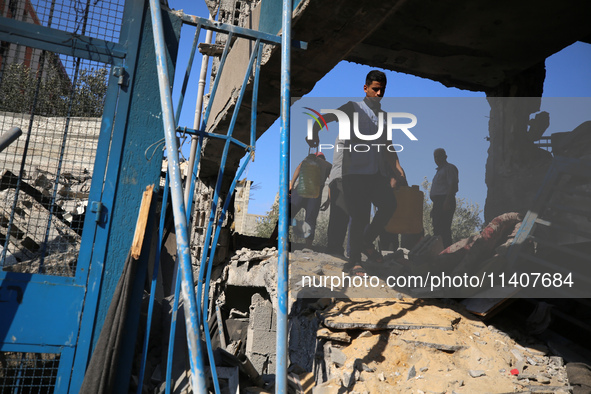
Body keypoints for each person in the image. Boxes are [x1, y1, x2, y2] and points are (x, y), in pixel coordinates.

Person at [308, 70, 407, 275]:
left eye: (382, 90)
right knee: (359, 215)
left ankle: (365, 241)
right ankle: (353, 261)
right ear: (365, 88)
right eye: (375, 89)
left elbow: (388, 144)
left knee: (389, 205)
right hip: (354, 172)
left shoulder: (384, 116)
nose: (379, 94)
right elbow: (327, 117)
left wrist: (397, 167)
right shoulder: (352, 108)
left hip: (376, 173)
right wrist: (314, 130)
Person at [271, 152, 332, 248]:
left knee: (287, 215)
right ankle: (308, 247)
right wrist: (328, 200)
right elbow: (331, 183)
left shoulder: (309, 159)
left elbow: (299, 168)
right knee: (310, 220)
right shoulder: (328, 165)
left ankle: (271, 240)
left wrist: (291, 184)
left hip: (301, 191)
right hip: (314, 195)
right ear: (324, 158)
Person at [430, 148, 459, 248]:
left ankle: (446, 251)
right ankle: (438, 251)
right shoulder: (439, 171)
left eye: (439, 156)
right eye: (435, 157)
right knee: (437, 228)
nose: (437, 159)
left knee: (444, 228)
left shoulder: (449, 168)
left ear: (445, 157)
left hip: (445, 199)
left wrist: (447, 201)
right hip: (438, 202)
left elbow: (453, 185)